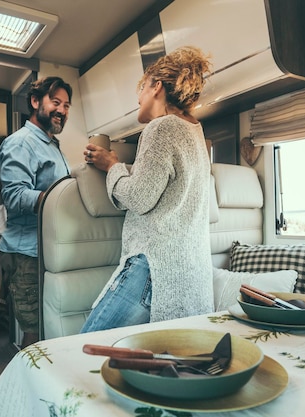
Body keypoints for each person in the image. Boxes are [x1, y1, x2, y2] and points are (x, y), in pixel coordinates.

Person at [80, 46, 214, 333]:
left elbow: (139, 197)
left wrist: (112, 165)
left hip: (154, 268)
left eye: (141, 89)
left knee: (84, 348)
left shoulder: (161, 128)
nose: (138, 97)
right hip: (188, 273)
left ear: (156, 86)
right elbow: (164, 187)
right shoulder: (195, 133)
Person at [0, 76, 72, 348]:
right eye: (55, 102)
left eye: (66, 105)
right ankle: (24, 389)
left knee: (47, 326)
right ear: (35, 101)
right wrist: (63, 199)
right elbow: (15, 196)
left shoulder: (51, 145)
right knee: (34, 332)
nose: (62, 110)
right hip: (26, 252)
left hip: (45, 250)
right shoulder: (21, 142)